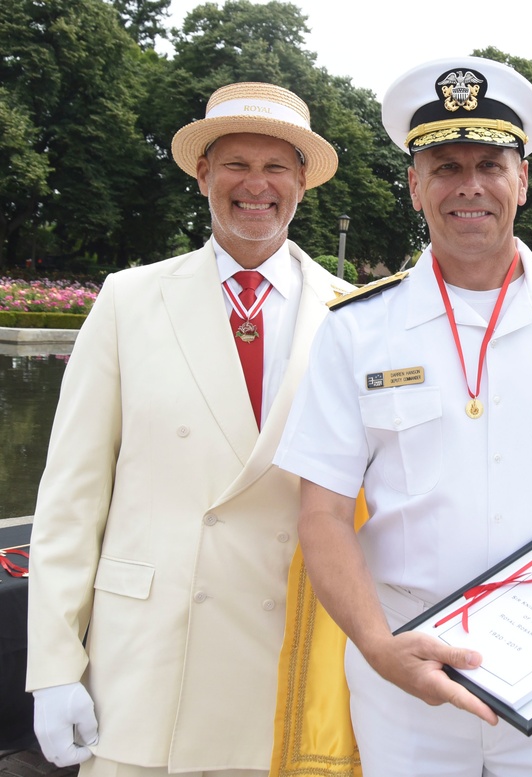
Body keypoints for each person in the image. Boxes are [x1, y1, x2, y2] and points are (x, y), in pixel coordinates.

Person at [273, 56, 532, 777]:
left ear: (521, 181)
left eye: (490, 164)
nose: (469, 185)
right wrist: (378, 647)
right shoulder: (356, 331)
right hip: (408, 666)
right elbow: (321, 513)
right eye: (444, 166)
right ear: (414, 185)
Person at [26, 82, 357, 776]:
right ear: (203, 173)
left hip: (288, 673)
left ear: (303, 181)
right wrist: (54, 665)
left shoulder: (355, 317)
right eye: (236, 162)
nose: (256, 184)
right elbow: (70, 499)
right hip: (144, 674)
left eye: (276, 166)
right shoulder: (129, 299)